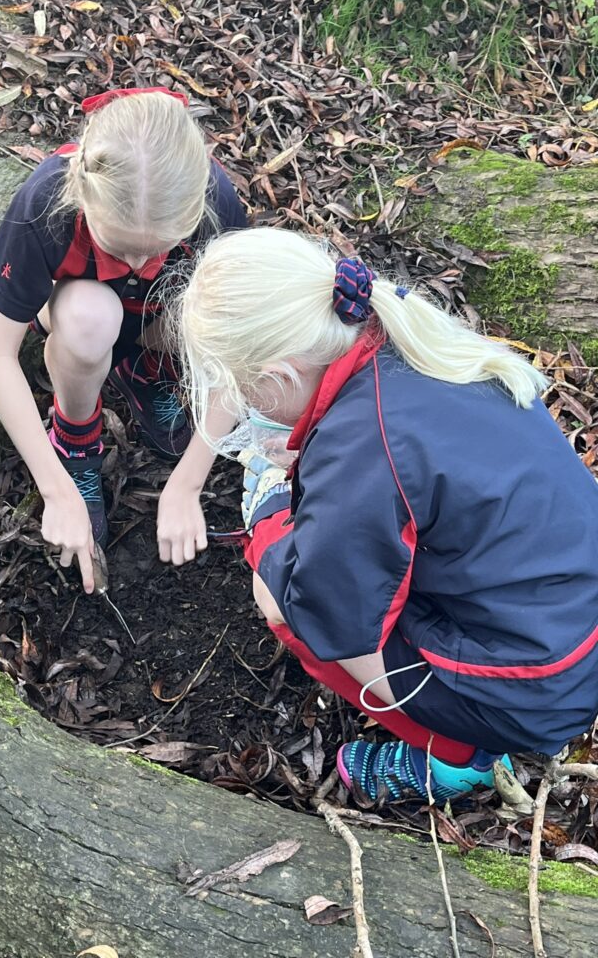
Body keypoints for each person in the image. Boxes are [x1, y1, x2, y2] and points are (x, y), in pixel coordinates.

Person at [175, 226, 598, 804]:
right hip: (568, 628)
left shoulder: (361, 446)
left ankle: (458, 759)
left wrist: (271, 506)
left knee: (279, 599)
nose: (246, 407)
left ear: (278, 377)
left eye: (246, 392)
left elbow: (324, 607)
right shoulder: (400, 336)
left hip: (534, 685)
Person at [0, 88, 247, 591]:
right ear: (81, 193)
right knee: (92, 317)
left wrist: (189, 483)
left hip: (161, 317)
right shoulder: (45, 203)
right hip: (79, 311)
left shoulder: (216, 203)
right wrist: (55, 490)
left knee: (206, 308)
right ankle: (77, 436)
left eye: (157, 249)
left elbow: (239, 353)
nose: (140, 266)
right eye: (119, 246)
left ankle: (142, 370)